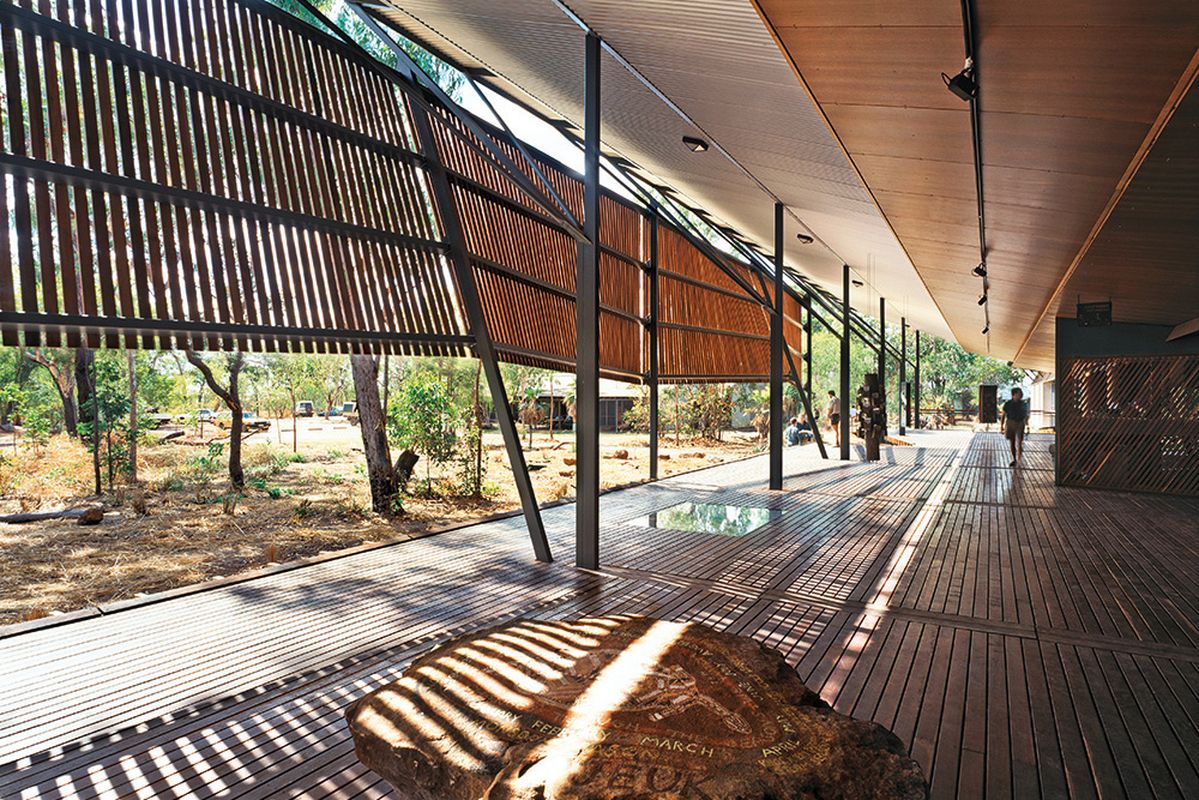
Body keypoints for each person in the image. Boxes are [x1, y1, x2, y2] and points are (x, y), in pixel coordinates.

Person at [1002, 387, 1029, 467]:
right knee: (1012, 441)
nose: (1020, 395)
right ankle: (1014, 458)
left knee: (1020, 441)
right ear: (1013, 395)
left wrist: (1027, 425)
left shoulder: (1023, 404)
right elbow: (1003, 415)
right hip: (1010, 422)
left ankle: (1020, 458)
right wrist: (1001, 426)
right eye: (1018, 394)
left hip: (1020, 423)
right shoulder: (1008, 404)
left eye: (1020, 394)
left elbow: (1025, 416)